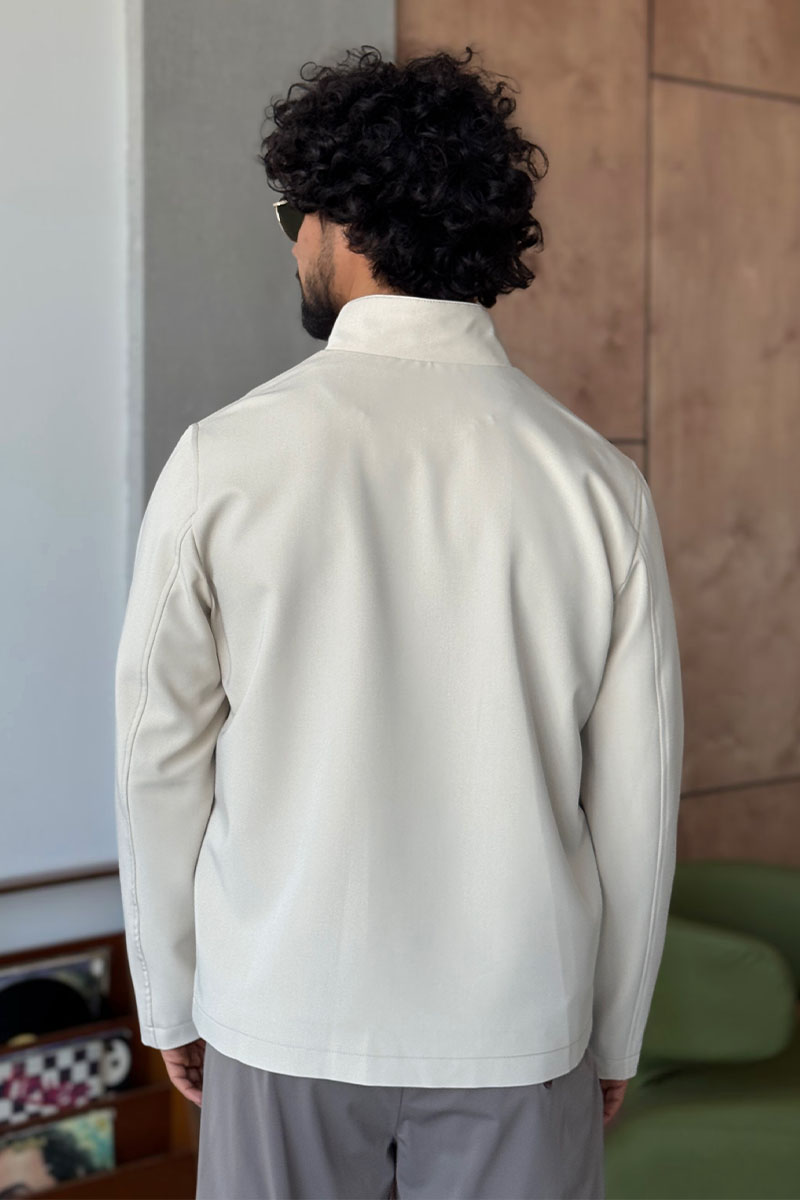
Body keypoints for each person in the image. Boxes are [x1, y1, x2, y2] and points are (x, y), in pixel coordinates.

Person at [114, 43, 684, 1200]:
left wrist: (170, 997)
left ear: (342, 222)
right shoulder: (594, 484)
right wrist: (610, 1029)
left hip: (280, 1006)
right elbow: (635, 799)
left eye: (295, 215)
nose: (293, 244)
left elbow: (158, 756)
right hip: (518, 1020)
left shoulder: (225, 460)